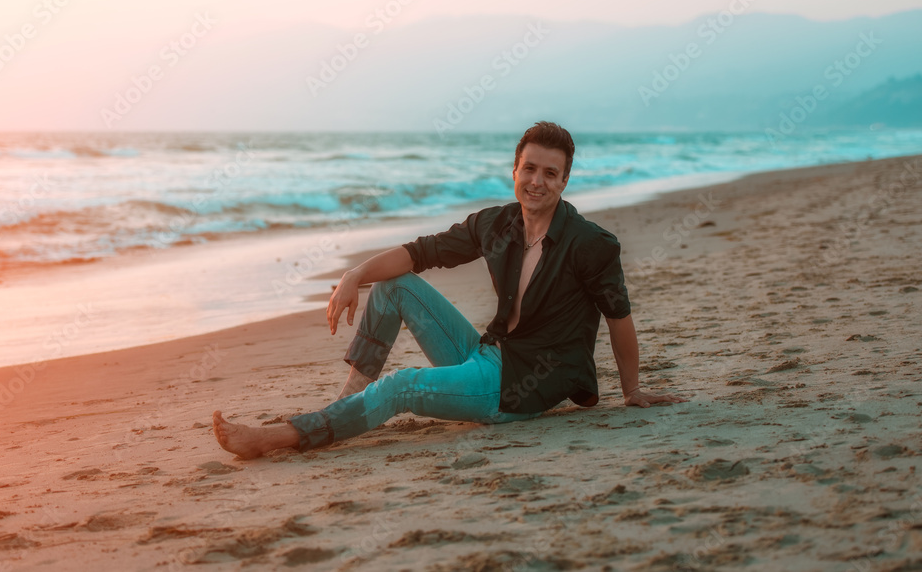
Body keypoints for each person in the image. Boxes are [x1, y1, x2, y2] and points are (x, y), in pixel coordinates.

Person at [213, 122, 686, 458]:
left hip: (516, 390)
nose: (536, 181)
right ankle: (345, 402)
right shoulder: (497, 223)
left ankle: (280, 438)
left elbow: (618, 318)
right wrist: (356, 273)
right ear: (515, 170)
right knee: (393, 284)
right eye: (529, 169)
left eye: (549, 173)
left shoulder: (591, 244)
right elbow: (420, 253)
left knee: (401, 385)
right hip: (485, 354)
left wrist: (632, 389)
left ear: (565, 180)